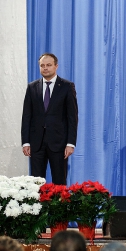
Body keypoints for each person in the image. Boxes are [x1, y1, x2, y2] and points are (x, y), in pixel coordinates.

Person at [21, 52, 78, 185]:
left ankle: (60, 205)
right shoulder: (32, 87)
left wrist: (70, 143)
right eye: (42, 65)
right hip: (36, 143)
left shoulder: (66, 87)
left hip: (59, 143)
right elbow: (26, 116)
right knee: (36, 183)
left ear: (56, 66)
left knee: (59, 181)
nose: (45, 68)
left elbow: (72, 117)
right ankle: (37, 206)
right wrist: (26, 142)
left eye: (48, 65)